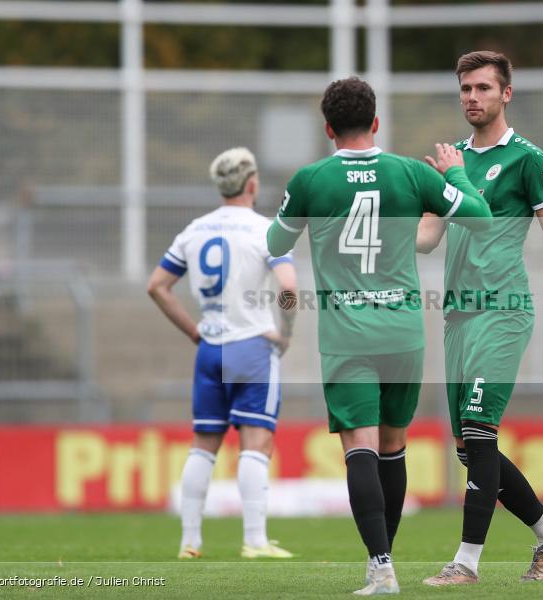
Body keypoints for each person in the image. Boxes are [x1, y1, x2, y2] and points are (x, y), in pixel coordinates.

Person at [266, 76, 491, 595]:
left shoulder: (311, 179)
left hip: (348, 334)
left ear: (327, 128)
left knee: (359, 449)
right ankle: (383, 566)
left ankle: (381, 567)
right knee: (393, 448)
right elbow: (479, 217)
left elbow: (276, 240)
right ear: (376, 122)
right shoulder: (410, 173)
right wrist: (457, 177)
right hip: (404, 332)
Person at [416, 50, 543, 586]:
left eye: (484, 88)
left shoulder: (527, 160)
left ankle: (465, 563)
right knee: (470, 450)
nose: (473, 97)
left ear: (505, 94)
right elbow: (425, 239)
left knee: (478, 429)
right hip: (457, 319)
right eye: (466, 88)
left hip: (503, 310)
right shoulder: (450, 162)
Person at [147, 147, 299, 560]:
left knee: (203, 445)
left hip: (210, 348)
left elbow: (157, 286)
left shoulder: (193, 230)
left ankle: (189, 542)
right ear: (252, 184)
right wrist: (285, 332)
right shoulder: (266, 230)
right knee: (256, 442)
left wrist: (194, 331)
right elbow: (288, 288)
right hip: (251, 345)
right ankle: (254, 540)